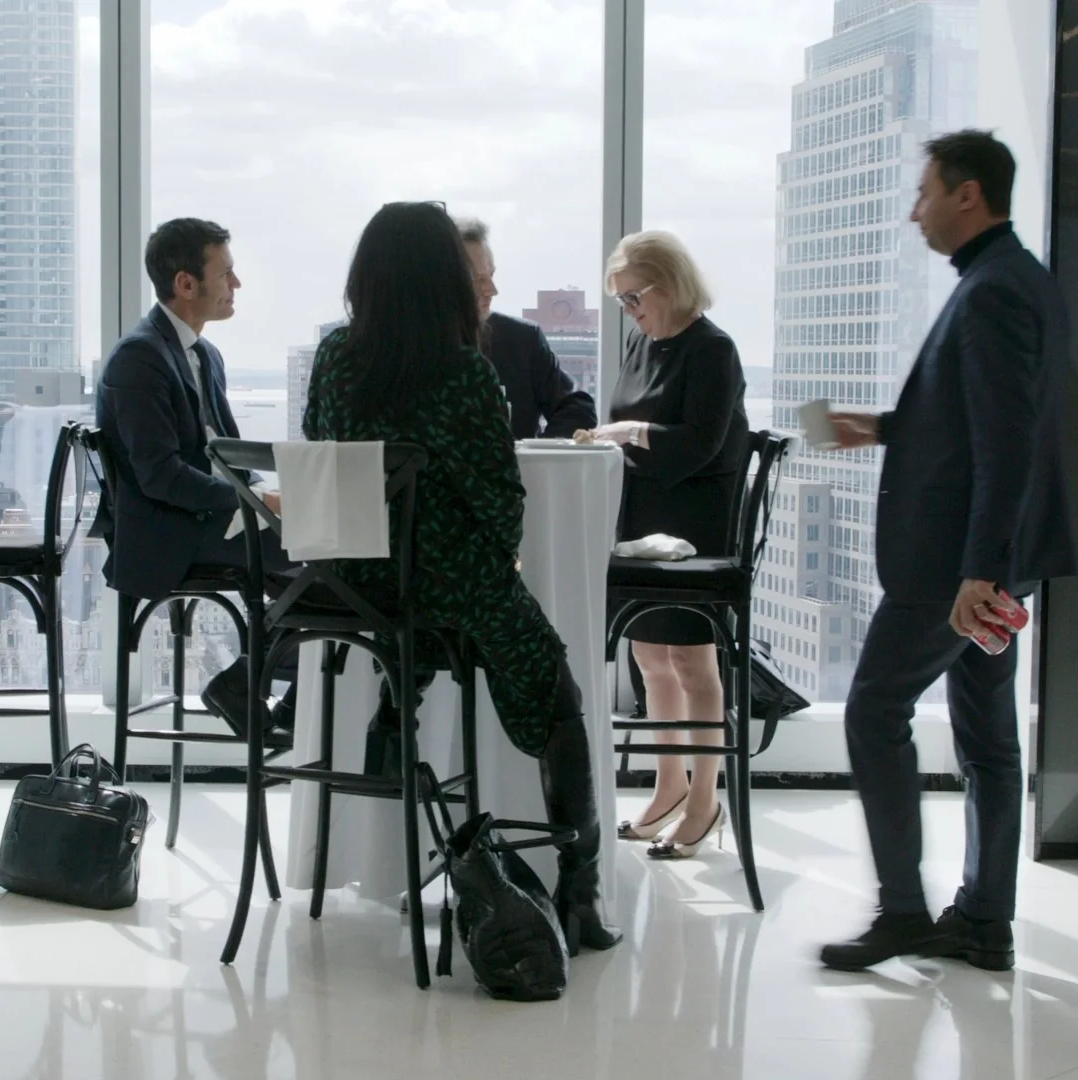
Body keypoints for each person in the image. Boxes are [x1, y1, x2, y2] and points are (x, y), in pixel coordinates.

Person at [302, 200, 621, 956]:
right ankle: (580, 889)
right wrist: (499, 560)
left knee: (416, 624)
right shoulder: (463, 370)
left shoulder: (334, 358)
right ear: (445, 276)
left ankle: (395, 701)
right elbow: (500, 497)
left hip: (350, 585)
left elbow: (323, 456)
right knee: (555, 692)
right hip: (450, 585)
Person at [817, 130, 1075, 973]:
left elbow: (1007, 446)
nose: (914, 209)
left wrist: (979, 572)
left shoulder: (994, 292)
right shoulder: (1011, 279)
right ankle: (983, 921)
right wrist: (886, 428)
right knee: (989, 740)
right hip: (989, 550)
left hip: (955, 564)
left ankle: (903, 913)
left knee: (873, 711)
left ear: (968, 195)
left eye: (924, 193)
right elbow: (982, 423)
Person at [95, 217, 293, 739]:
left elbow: (222, 453)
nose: (237, 285)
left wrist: (277, 489)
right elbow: (160, 476)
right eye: (226, 274)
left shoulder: (204, 354)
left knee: (329, 548)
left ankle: (259, 685)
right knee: (329, 556)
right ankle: (262, 687)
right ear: (186, 284)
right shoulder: (139, 359)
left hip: (206, 516)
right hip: (169, 532)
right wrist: (254, 502)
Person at [592, 231, 749, 861]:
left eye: (634, 298)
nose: (630, 312)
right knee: (650, 658)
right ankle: (669, 787)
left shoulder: (713, 350)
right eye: (622, 302)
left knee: (691, 663)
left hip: (695, 526)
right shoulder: (642, 340)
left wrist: (630, 430)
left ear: (670, 284)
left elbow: (700, 445)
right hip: (645, 516)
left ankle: (705, 800)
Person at [457, 217, 597, 438]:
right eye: (479, 279)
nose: (492, 290)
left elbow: (577, 408)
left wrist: (535, 457)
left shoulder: (521, 338)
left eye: (491, 275)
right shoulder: (409, 347)